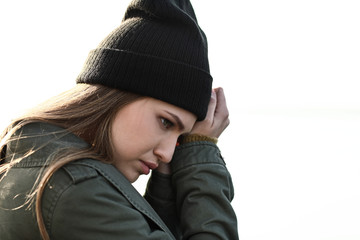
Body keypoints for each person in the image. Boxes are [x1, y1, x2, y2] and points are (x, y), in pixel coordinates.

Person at [0, 0, 238, 239]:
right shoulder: (77, 189)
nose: (167, 153)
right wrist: (202, 153)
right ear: (118, 95)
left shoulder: (35, 159)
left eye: (179, 138)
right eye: (166, 122)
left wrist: (166, 179)